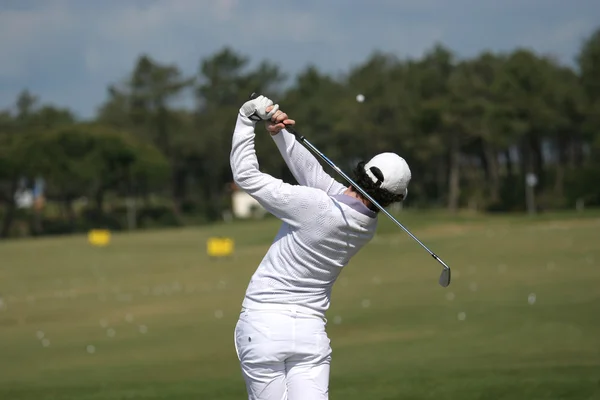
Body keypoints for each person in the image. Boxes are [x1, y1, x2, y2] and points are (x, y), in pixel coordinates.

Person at [230, 95, 411, 399]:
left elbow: (246, 176)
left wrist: (246, 118)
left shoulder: (316, 206)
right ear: (394, 198)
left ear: (362, 170)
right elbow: (316, 178)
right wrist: (280, 134)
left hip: (263, 327)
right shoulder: (366, 225)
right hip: (309, 337)